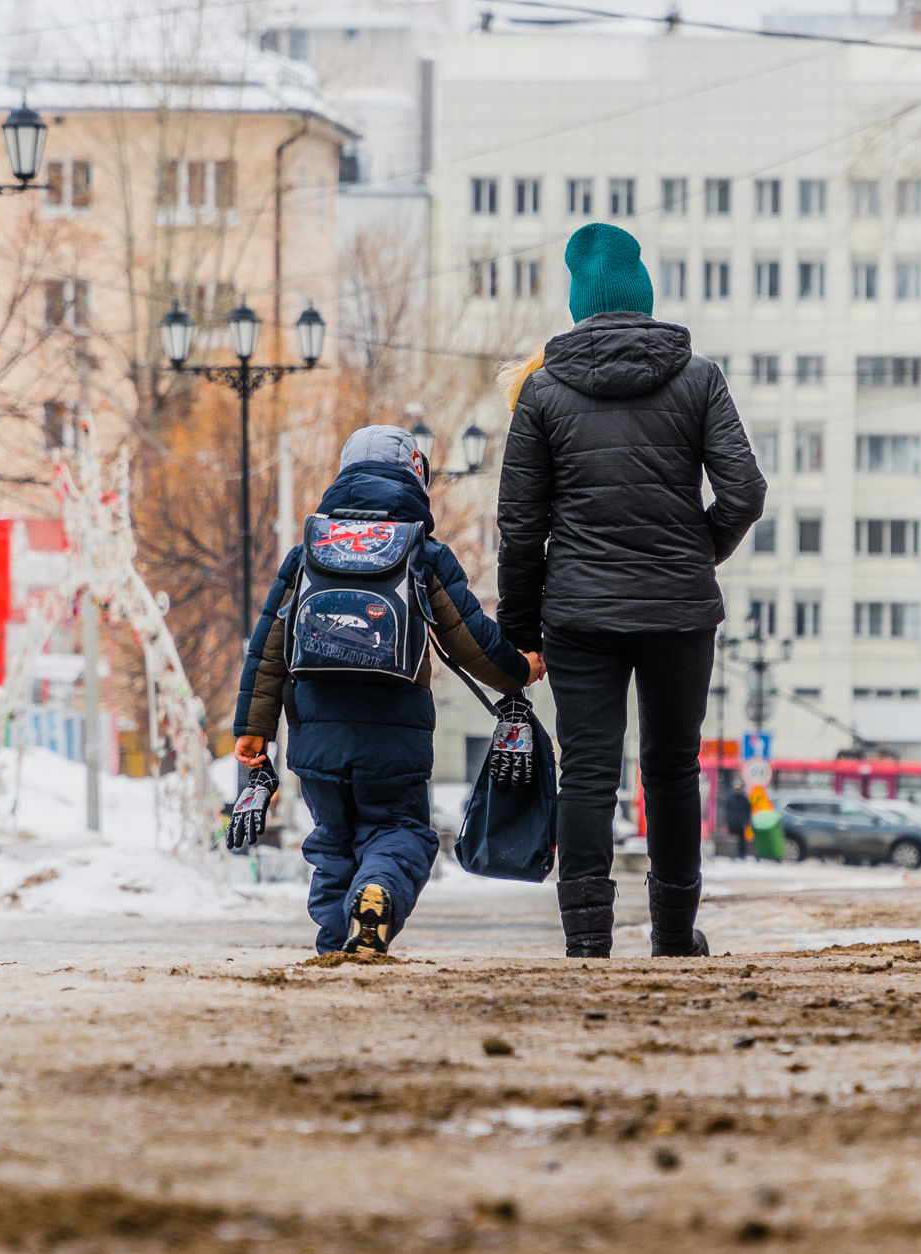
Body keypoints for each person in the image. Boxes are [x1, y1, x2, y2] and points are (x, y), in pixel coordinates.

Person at [497, 223, 766, 958]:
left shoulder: (542, 393)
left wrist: (521, 632)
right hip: (679, 607)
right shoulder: (699, 376)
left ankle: (587, 939)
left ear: (580, 304)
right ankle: (675, 936)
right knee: (672, 767)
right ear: (643, 298)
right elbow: (744, 492)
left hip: (579, 612)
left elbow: (520, 528)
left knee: (587, 769)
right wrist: (693, 552)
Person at [234, 425, 539, 956]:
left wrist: (253, 730)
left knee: (332, 847)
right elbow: (469, 640)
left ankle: (336, 947)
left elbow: (267, 648)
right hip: (394, 736)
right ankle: (376, 896)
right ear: (415, 477)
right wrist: (520, 669)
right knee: (401, 832)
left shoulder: (309, 549)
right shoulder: (421, 551)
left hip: (316, 738)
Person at [723, 781, 754, 860]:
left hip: (742, 823)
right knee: (733, 840)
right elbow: (728, 809)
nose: (738, 790)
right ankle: (732, 855)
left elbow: (748, 810)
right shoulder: (731, 798)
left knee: (742, 840)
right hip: (733, 822)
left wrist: (747, 820)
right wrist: (728, 821)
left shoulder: (745, 799)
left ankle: (741, 855)